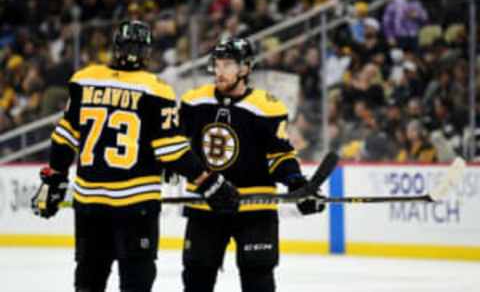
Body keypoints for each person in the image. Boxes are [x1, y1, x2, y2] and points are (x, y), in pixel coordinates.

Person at [31, 20, 239, 292]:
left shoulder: (84, 79)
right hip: (135, 205)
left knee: (88, 282)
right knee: (135, 283)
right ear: (148, 52)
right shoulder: (155, 89)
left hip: (89, 203)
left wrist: (54, 179)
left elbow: (64, 139)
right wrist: (208, 181)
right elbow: (172, 151)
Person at [179, 37, 326, 292]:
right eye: (217, 64)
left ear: (245, 68)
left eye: (228, 65)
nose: (220, 71)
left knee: (258, 279)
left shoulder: (266, 106)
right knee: (196, 278)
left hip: (255, 207)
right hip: (207, 203)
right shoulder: (194, 102)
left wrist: (297, 183)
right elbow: (174, 147)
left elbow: (280, 155)